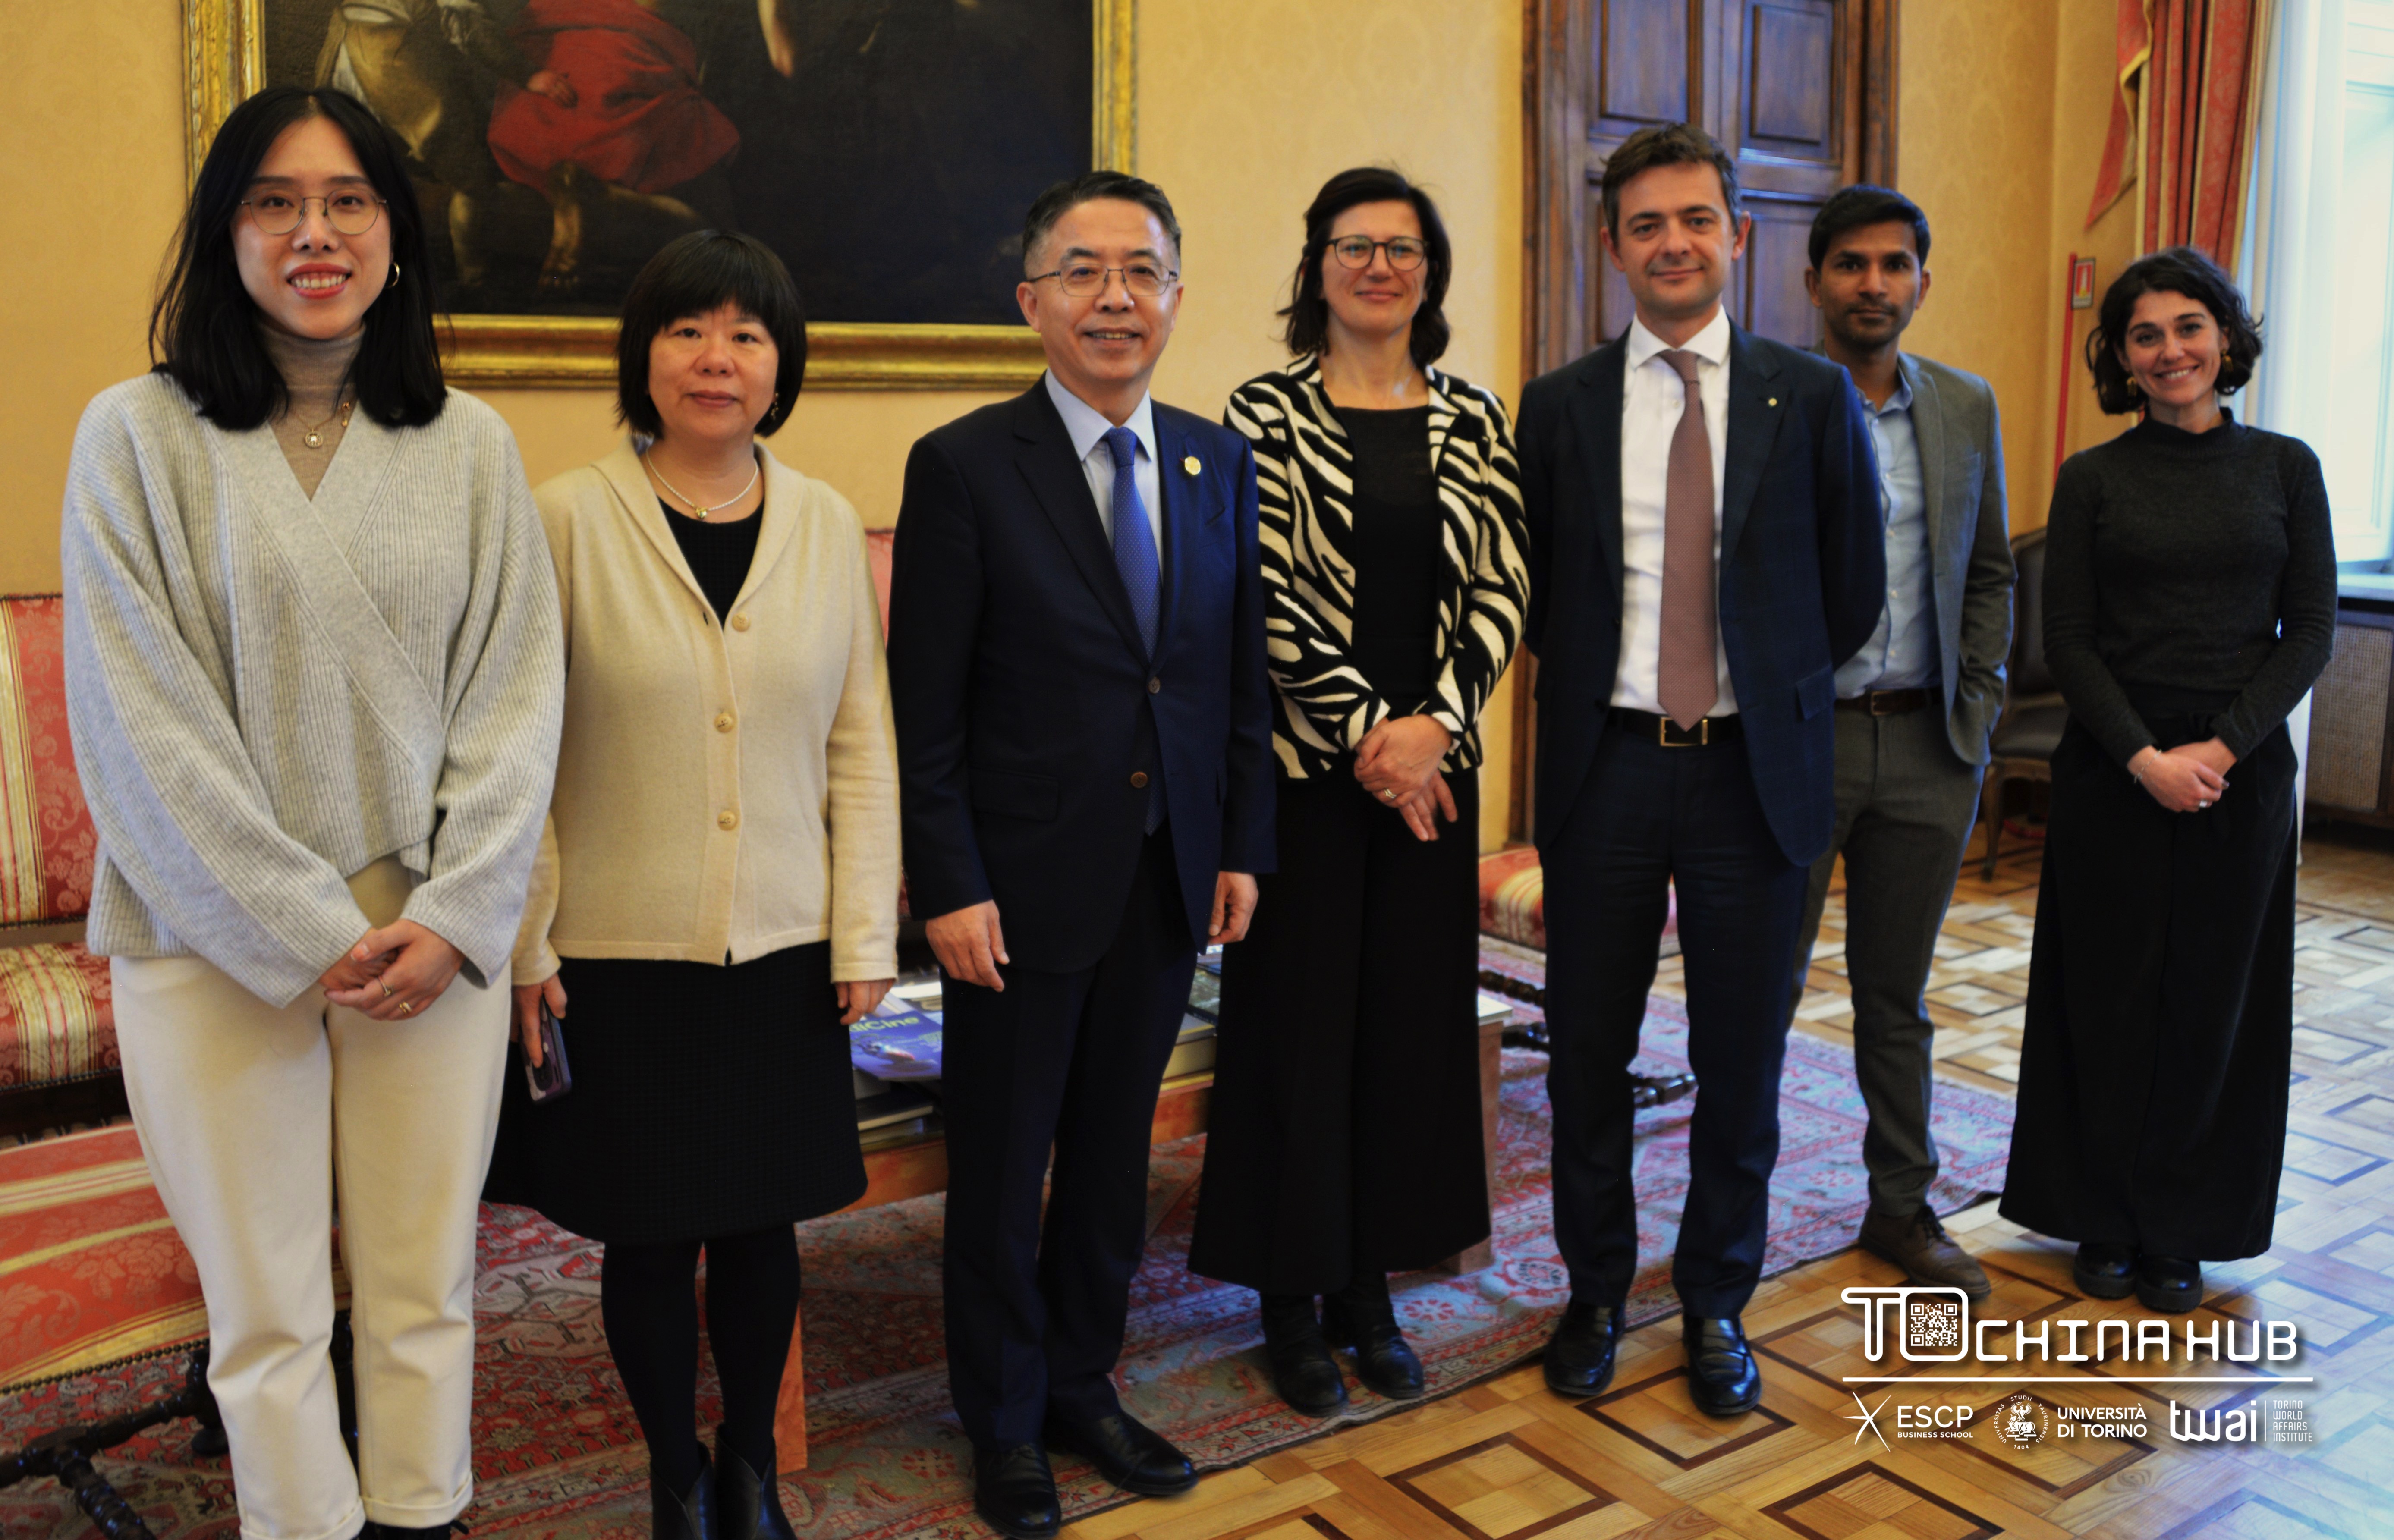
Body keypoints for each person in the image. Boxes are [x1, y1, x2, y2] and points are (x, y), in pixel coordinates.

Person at [60, 86, 562, 1540]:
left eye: (347, 200)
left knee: (425, 1284)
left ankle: (420, 1514)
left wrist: (457, 916)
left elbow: (518, 702)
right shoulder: (133, 437)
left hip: (427, 935)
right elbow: (139, 723)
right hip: (207, 932)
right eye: (274, 202)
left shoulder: (469, 445)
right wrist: (301, 924)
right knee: (268, 1312)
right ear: (225, 234)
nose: (314, 232)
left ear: (397, 233)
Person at [490, 229, 898, 1539]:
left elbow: (860, 738)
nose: (717, 358)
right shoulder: (563, 515)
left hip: (784, 945)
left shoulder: (824, 520)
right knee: (652, 1236)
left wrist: (863, 932)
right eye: (687, 330)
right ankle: (676, 1476)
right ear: (644, 356)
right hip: (616, 954)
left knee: (766, 1229)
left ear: (781, 365)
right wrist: (528, 943)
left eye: (746, 334)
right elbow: (516, 750)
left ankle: (751, 1469)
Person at [887, 170, 1275, 1537]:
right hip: (1015, 891)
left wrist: (1239, 844)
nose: (1116, 297)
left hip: (1166, 875)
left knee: (1112, 1156)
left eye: (1141, 271)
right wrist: (948, 883)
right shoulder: (963, 466)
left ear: (1174, 294)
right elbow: (924, 708)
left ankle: (1079, 1381)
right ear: (1031, 301)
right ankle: (1001, 1421)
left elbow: (1231, 678)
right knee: (1002, 1167)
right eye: (1084, 271)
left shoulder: (1214, 461)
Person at [1513, 122, 1882, 1415]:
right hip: (1605, 771)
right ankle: (1594, 1292)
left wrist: (1761, 688)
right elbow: (1538, 590)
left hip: (1752, 778)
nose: (1672, 243)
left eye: (1694, 219)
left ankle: (1717, 1299)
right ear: (1611, 247)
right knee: (1585, 1056)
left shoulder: (1810, 395)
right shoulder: (1557, 406)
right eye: (1645, 225)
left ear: (1739, 235)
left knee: (1741, 1059)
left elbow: (1850, 590)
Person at [1191, 167, 1526, 1415]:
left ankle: (1367, 1290)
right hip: (1306, 781)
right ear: (1316, 266)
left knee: (1406, 1031)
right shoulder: (1263, 411)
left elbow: (1502, 585)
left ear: (1429, 272)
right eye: (1354, 245)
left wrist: (1432, 728)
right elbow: (1264, 592)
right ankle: (1289, 1297)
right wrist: (1369, 738)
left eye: (1401, 247)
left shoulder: (1475, 416)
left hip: (1434, 780)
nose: (1378, 266)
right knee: (1296, 1033)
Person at [2001, 247, 2332, 1314]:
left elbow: (2310, 631)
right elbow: (2069, 638)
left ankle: (2183, 1227)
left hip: (2241, 771)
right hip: (2116, 765)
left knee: (2214, 1003)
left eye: (2189, 327)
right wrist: (2145, 758)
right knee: (2106, 996)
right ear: (2123, 358)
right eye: (2146, 335)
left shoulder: (2287, 468)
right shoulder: (2092, 477)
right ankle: (2102, 1214)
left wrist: (2221, 750)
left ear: (2226, 338)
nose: (2170, 350)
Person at [1785, 186, 2013, 1300]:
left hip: (1929, 745)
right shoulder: (1769, 400)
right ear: (1813, 281)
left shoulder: (1965, 405)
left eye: (1893, 265)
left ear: (1923, 280)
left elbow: (1990, 568)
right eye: (1850, 265)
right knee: (1761, 990)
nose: (1872, 285)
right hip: (1798, 746)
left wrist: (1979, 699)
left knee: (1896, 997)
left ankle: (1900, 1205)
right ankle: (1726, 1211)